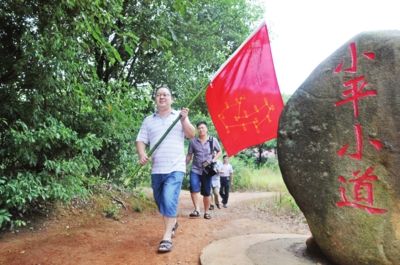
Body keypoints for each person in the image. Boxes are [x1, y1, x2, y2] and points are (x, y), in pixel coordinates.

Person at [136, 86, 195, 253]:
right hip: (157, 168)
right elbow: (140, 140)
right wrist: (142, 154)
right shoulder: (148, 120)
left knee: (169, 199)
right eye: (159, 95)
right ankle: (173, 221)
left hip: (176, 167)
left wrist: (184, 120)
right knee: (161, 202)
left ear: (171, 99)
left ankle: (167, 237)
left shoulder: (179, 116)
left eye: (165, 95)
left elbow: (191, 134)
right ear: (155, 98)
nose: (162, 97)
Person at [186, 121, 222, 219]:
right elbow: (189, 155)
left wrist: (212, 160)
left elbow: (219, 151)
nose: (201, 129)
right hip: (195, 169)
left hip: (207, 171)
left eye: (203, 127)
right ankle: (197, 210)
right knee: (193, 188)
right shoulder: (193, 141)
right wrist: (184, 165)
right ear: (197, 130)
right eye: (199, 128)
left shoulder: (212, 140)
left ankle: (206, 212)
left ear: (206, 129)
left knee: (206, 192)